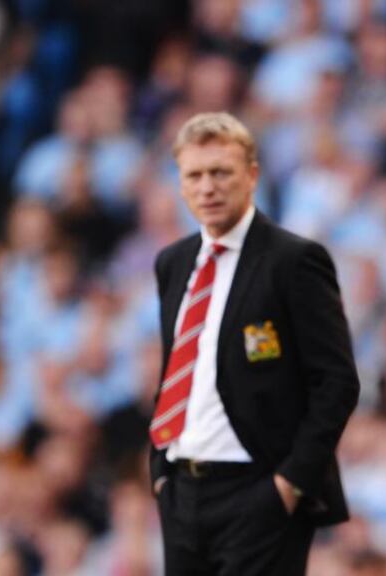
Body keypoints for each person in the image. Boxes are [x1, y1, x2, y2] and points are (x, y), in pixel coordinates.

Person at [149, 112, 359, 575]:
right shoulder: (172, 263)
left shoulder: (294, 260)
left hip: (259, 490)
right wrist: (161, 472)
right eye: (195, 175)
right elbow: (176, 372)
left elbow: (337, 382)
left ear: (251, 175)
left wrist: (289, 483)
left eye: (221, 172)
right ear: (180, 184)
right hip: (182, 491)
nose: (208, 187)